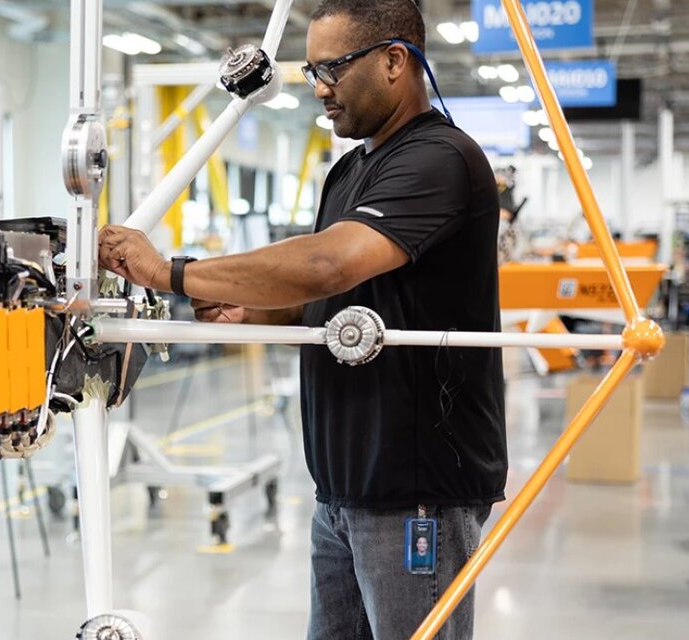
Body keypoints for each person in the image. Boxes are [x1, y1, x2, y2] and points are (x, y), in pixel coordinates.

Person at [97, 1, 507, 638]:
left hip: (415, 489)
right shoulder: (351, 170)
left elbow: (328, 265)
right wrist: (257, 307)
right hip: (341, 488)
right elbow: (343, 297)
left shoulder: (440, 158)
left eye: (333, 69)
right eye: (312, 70)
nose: (319, 88)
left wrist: (169, 273)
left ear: (395, 61)